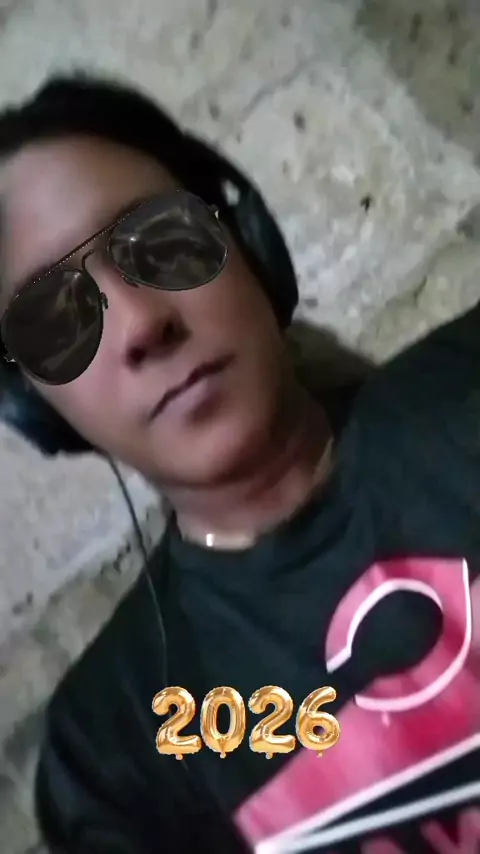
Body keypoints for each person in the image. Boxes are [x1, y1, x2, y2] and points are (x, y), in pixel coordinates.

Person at [0, 75, 478, 854]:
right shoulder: (115, 753)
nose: (142, 324)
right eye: (56, 316)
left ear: (247, 243)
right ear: (33, 405)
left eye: (161, 241)